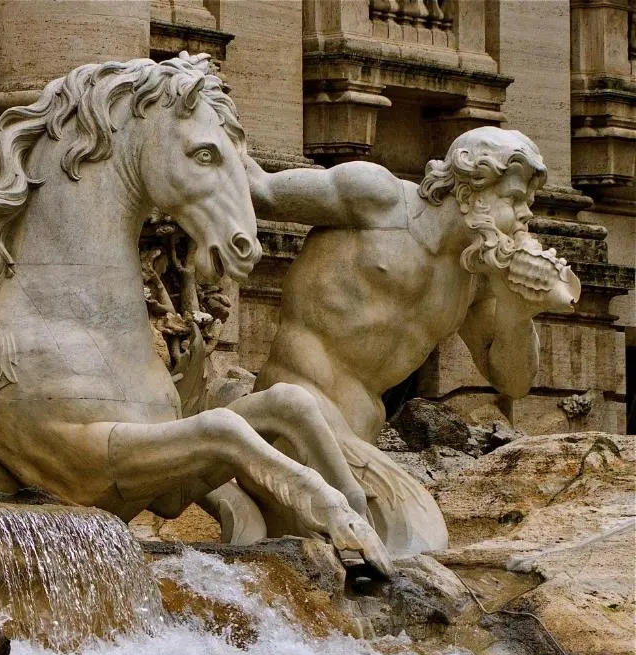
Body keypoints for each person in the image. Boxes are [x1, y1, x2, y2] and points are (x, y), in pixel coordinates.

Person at [245, 127, 580, 556]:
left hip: (360, 433)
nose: (525, 215)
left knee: (399, 547)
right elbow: (260, 190)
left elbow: (513, 382)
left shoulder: (475, 279)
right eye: (514, 199)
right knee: (418, 536)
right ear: (469, 191)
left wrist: (518, 312)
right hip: (292, 406)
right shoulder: (377, 198)